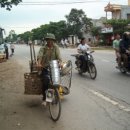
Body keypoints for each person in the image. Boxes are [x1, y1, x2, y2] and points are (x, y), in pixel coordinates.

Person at [37, 33, 62, 106]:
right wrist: (39, 63)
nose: (50, 42)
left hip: (54, 66)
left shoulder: (56, 47)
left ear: (53, 41)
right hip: (45, 67)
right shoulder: (43, 48)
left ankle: (56, 93)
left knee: (57, 80)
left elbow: (59, 56)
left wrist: (60, 62)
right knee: (46, 81)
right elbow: (40, 56)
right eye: (48, 40)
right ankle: (45, 98)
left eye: (51, 40)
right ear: (46, 40)